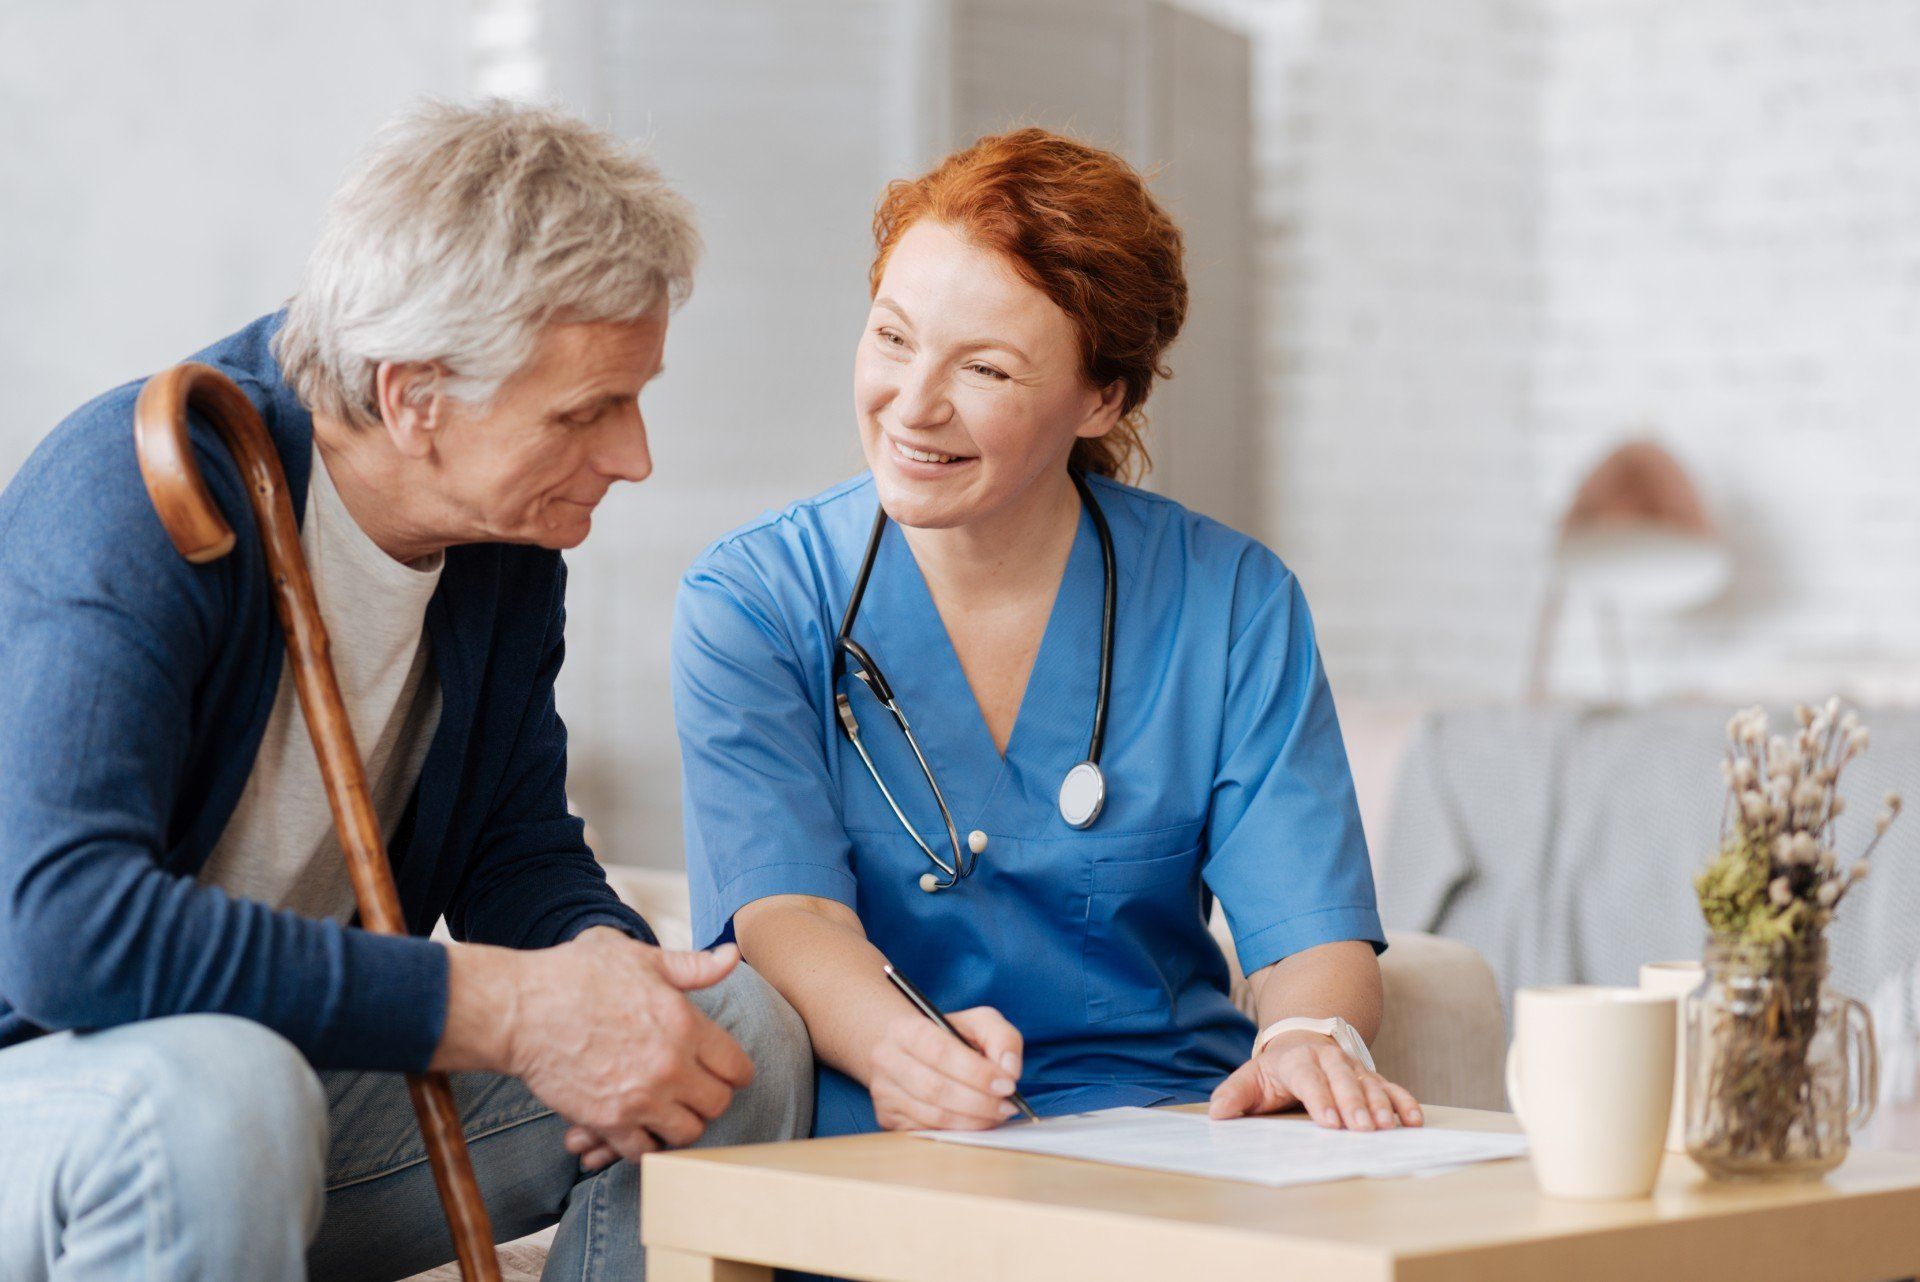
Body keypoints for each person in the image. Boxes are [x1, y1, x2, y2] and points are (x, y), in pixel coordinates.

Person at [0, 100, 809, 1281]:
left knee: (733, 1042)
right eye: (587, 411)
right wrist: (509, 1008)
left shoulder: (505, 546)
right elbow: (65, 934)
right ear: (414, 396)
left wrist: (607, 988)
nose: (635, 456)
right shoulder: (137, 492)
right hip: (71, 1093)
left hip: (284, 1092)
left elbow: (512, 850)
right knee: (224, 1093)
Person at [672, 128, 1421, 1139]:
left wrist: (1306, 1035)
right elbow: (787, 913)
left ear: (1101, 397)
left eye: (983, 368)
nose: (913, 405)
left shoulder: (1232, 601)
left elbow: (1307, 931)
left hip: (1172, 1132)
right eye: (892, 338)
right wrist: (908, 1053)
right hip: (885, 1128)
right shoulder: (756, 598)